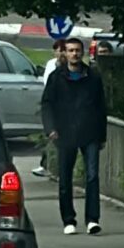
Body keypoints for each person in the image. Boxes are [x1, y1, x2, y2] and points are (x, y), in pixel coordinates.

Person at [39, 36, 109, 235]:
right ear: (65, 53)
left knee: (92, 176)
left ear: (82, 52)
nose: (74, 54)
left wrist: (102, 134)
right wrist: (51, 128)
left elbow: (101, 107)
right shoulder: (56, 78)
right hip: (65, 133)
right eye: (70, 50)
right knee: (65, 179)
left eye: (77, 50)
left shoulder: (93, 77)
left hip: (90, 132)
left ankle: (92, 219)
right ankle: (68, 220)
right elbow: (47, 104)